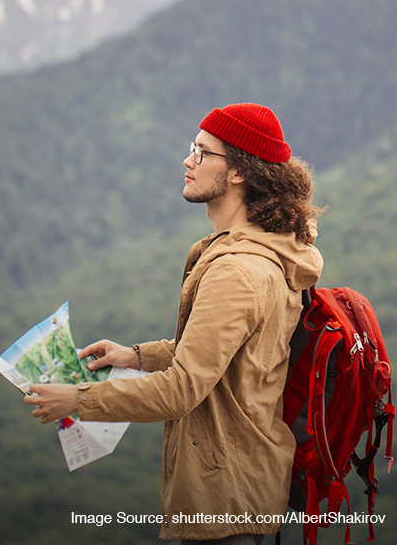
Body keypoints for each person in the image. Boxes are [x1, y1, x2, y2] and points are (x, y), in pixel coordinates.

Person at [25, 103, 324, 544]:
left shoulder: (236, 272)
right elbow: (230, 354)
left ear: (240, 170)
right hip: (242, 490)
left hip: (225, 504)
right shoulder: (265, 252)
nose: (188, 161)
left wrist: (78, 400)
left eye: (203, 152)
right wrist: (137, 356)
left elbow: (182, 388)